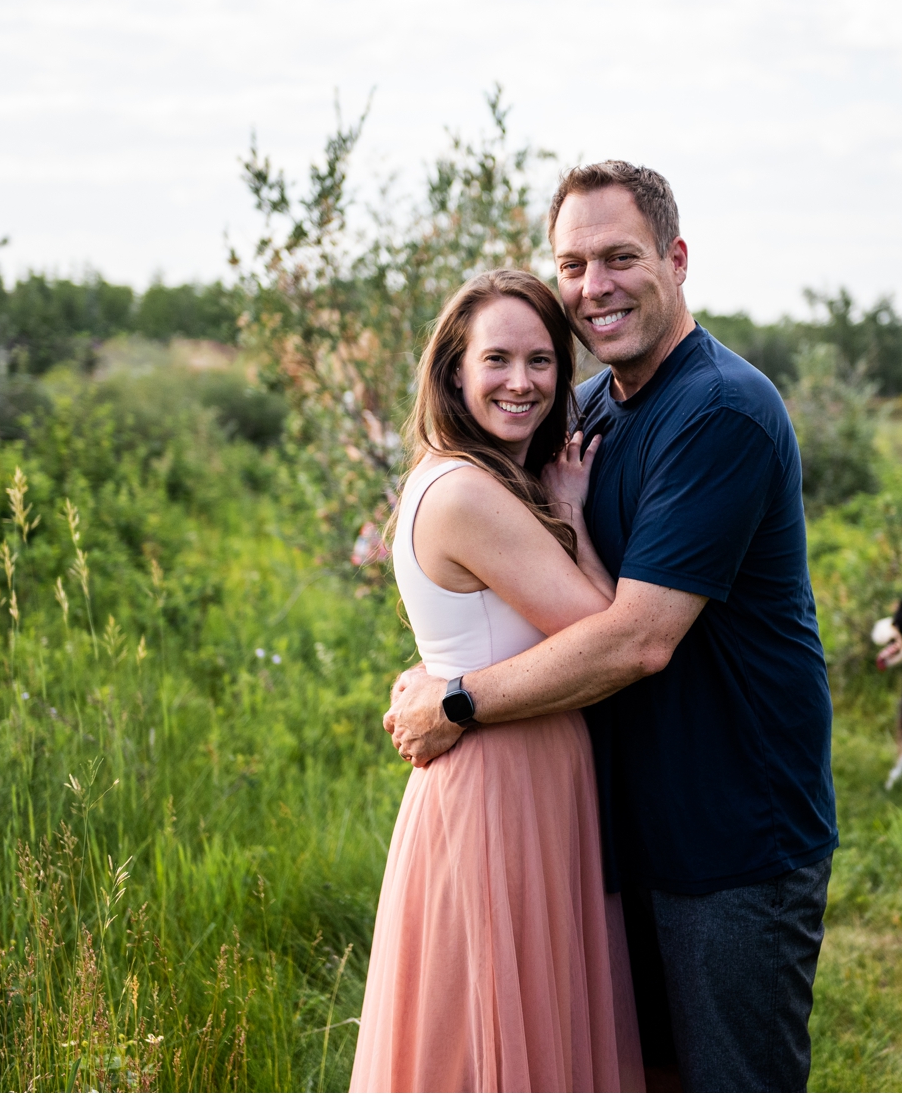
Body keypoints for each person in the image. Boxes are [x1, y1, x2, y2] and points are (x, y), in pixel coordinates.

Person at [386, 161, 837, 1092]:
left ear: (674, 259)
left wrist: (459, 699)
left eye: (620, 256)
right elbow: (510, 581)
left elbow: (637, 637)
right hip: (610, 832)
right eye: (575, 263)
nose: (596, 286)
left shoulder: (719, 412)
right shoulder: (588, 413)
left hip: (730, 841)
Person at [350, 269, 644, 1093]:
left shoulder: (477, 478)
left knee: (519, 1028)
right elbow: (601, 626)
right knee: (490, 1044)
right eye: (498, 360)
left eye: (544, 361)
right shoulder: (466, 490)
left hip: (522, 776)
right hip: (499, 787)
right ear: (455, 371)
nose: (523, 382)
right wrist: (576, 512)